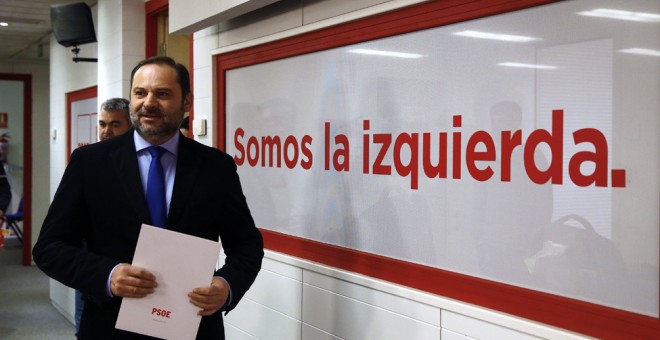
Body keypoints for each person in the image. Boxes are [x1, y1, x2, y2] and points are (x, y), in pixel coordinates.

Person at [33, 56, 264, 339]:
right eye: (140, 93)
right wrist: (108, 275)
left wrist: (227, 286)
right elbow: (49, 247)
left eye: (163, 94)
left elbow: (247, 245)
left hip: (193, 327)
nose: (149, 103)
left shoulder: (216, 167)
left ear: (187, 103)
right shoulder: (90, 163)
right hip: (110, 326)